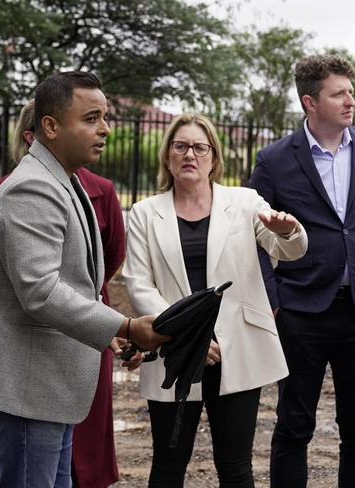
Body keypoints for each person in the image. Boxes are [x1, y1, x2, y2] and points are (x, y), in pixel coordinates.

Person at [0, 71, 167, 488]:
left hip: (49, 391)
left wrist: (105, 331)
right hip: (27, 393)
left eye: (105, 117)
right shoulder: (33, 189)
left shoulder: (64, 180)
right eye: (91, 118)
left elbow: (81, 279)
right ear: (51, 127)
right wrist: (124, 325)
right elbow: (39, 291)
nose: (106, 129)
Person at [122, 113, 307, 487]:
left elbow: (286, 250)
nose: (190, 154)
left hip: (235, 348)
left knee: (236, 465)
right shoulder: (144, 213)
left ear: (213, 157)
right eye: (181, 146)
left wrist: (290, 231)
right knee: (169, 464)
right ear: (168, 156)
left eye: (199, 147)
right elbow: (138, 283)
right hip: (174, 349)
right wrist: (187, 334)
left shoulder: (244, 202)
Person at [248, 54, 355, 488]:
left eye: (351, 91)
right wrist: (274, 301)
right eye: (339, 93)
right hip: (301, 310)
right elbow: (251, 235)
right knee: (294, 426)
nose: (350, 100)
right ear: (309, 102)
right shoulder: (275, 159)